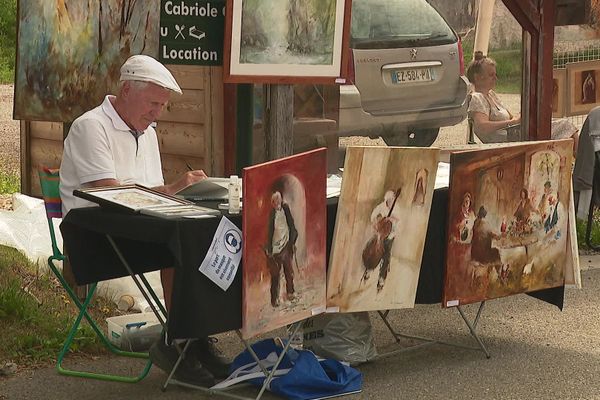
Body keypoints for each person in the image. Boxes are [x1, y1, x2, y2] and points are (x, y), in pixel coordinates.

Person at [59, 55, 228, 386]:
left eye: (162, 105)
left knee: (203, 236)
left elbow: (152, 197)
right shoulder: (90, 127)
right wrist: (175, 188)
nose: (157, 113)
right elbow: (111, 196)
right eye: (152, 103)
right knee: (184, 244)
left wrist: (187, 193)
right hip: (93, 237)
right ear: (125, 91)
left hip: (134, 229)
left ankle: (191, 338)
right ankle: (180, 341)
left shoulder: (147, 131)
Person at [466, 51, 579, 153]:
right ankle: (583, 166)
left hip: (515, 134)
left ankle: (578, 163)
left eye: (495, 74)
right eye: (491, 75)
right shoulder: (477, 98)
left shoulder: (491, 95)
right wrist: (511, 122)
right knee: (565, 125)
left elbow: (512, 118)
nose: (496, 78)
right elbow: (482, 127)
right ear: (478, 77)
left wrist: (521, 116)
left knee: (562, 127)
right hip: (509, 141)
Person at [265, 191, 298, 307]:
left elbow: (292, 225)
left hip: (286, 245)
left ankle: (290, 292)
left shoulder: (286, 209)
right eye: (275, 201)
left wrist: (293, 241)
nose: (277, 202)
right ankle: (275, 299)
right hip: (276, 249)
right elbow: (269, 233)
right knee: (275, 275)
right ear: (272, 203)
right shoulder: (272, 214)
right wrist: (269, 249)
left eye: (279, 199)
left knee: (289, 271)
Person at [363, 189, 399, 291]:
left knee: (386, 257)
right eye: (388, 200)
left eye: (391, 200)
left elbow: (400, 223)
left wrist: (393, 220)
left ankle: (381, 278)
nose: (389, 202)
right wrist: (376, 224)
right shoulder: (382, 206)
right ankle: (369, 269)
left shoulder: (397, 208)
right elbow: (373, 215)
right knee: (373, 252)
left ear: (393, 199)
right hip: (380, 234)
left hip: (390, 235)